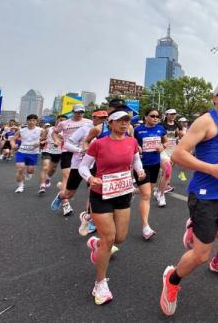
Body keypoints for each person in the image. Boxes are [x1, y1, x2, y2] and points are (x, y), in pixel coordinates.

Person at [160, 81, 218, 323]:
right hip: (205, 196)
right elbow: (178, 154)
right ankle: (172, 280)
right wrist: (211, 169)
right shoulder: (206, 121)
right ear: (215, 98)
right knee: (201, 255)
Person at [78, 110, 146, 305]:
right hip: (101, 195)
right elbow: (84, 166)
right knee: (109, 239)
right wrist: (90, 178)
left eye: (127, 120)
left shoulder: (132, 142)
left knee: (120, 238)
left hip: (123, 193)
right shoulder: (99, 143)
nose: (125, 124)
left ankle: (96, 244)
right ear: (110, 123)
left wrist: (139, 170)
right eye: (120, 121)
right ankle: (99, 283)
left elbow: (135, 159)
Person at [62, 110, 108, 236]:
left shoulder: (107, 130)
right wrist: (80, 150)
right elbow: (67, 144)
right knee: (69, 193)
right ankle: (61, 197)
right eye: (100, 118)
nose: (103, 120)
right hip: (79, 165)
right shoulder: (84, 129)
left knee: (93, 191)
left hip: (96, 166)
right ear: (93, 118)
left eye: (105, 118)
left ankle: (90, 217)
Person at [52, 104, 92, 216]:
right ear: (73, 111)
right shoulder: (64, 123)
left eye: (81, 112)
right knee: (66, 176)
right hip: (68, 152)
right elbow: (54, 132)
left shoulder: (88, 122)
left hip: (84, 153)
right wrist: (56, 140)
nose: (79, 114)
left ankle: (90, 212)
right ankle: (65, 204)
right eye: (77, 111)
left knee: (91, 183)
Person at [134, 108, 167, 239]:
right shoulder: (137, 130)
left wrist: (163, 147)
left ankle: (132, 191)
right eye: (152, 116)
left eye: (157, 116)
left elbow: (165, 141)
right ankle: (145, 227)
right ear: (145, 116)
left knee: (148, 189)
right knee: (146, 195)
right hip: (141, 166)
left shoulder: (160, 129)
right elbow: (131, 142)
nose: (155, 118)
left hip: (155, 164)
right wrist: (136, 147)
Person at [13, 114, 45, 193]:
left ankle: (28, 173)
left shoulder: (41, 130)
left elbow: (46, 138)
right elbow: (13, 139)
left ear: (36, 122)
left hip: (33, 153)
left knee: (30, 170)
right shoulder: (21, 130)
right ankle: (20, 186)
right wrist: (13, 145)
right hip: (22, 152)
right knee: (20, 168)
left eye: (34, 120)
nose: (31, 122)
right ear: (27, 121)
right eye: (30, 120)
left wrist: (40, 142)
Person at [159, 108, 180, 203]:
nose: (173, 115)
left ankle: (166, 185)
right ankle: (160, 193)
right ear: (166, 115)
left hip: (173, 149)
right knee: (167, 170)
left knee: (169, 170)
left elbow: (179, 137)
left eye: (174, 114)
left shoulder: (177, 125)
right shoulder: (161, 125)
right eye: (171, 114)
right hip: (164, 150)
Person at [40, 116, 66, 191]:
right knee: (45, 167)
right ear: (56, 121)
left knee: (53, 168)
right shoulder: (49, 129)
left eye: (64, 121)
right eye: (60, 120)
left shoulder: (66, 131)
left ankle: (48, 178)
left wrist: (61, 138)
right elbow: (42, 138)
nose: (61, 122)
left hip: (58, 151)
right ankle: (42, 185)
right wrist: (41, 141)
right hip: (47, 150)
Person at [177, 117, 189, 181]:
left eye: (186, 122)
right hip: (178, 146)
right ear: (180, 123)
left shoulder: (187, 129)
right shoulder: (178, 129)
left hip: (185, 147)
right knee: (172, 162)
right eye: (184, 122)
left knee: (186, 161)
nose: (186, 123)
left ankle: (182, 173)